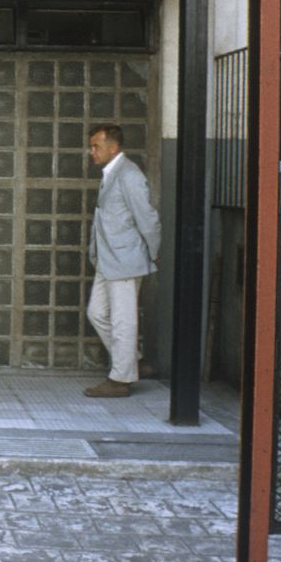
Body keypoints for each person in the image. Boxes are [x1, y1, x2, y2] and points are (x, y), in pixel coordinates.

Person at [83, 123, 161, 398]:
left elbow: (147, 218)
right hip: (109, 260)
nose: (91, 151)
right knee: (97, 313)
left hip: (126, 258)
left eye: (96, 146)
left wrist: (153, 252)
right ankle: (134, 361)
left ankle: (120, 379)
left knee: (123, 320)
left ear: (113, 147)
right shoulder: (111, 174)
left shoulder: (129, 175)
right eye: (91, 146)